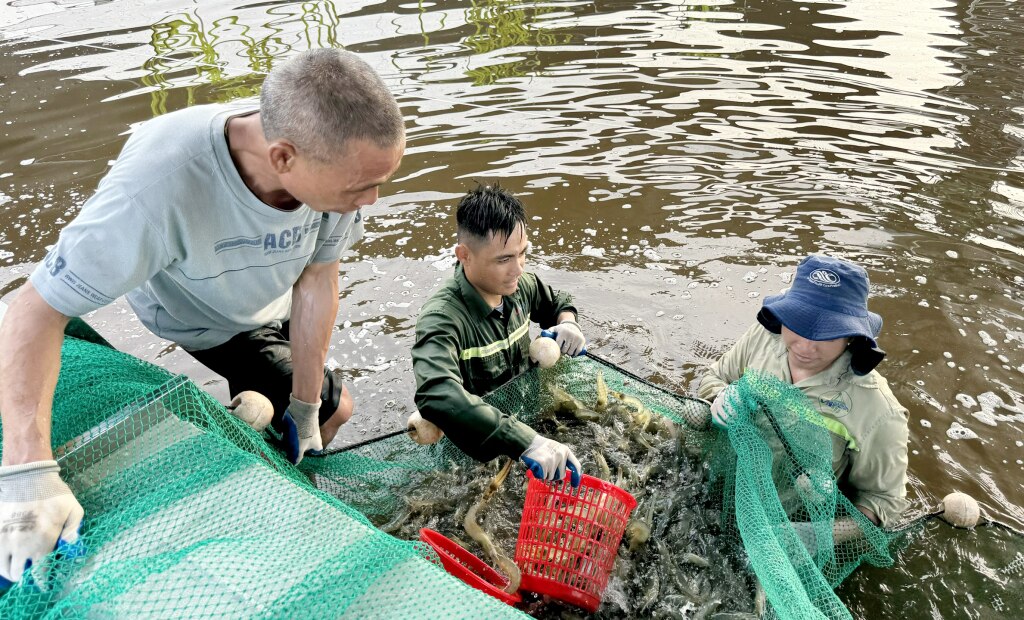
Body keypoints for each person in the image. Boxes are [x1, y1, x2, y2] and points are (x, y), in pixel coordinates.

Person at [0, 48, 405, 583]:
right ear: (283, 157)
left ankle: (273, 453)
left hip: (272, 290)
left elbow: (318, 277)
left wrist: (305, 405)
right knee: (339, 407)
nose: (372, 201)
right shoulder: (153, 190)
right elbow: (34, 309)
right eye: (360, 188)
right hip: (201, 315)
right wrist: (29, 471)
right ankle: (274, 501)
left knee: (326, 410)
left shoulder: (331, 174)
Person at [697, 254, 909, 528]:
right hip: (717, 487)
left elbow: (884, 501)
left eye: (827, 333)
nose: (805, 346)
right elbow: (716, 376)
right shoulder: (762, 337)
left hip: (786, 522)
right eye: (797, 323)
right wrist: (718, 396)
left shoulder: (879, 411)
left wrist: (816, 537)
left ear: (852, 336)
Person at [411, 184, 585, 486]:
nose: (517, 269)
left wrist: (568, 323)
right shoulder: (441, 319)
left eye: (523, 254)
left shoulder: (521, 287)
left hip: (528, 425)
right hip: (474, 451)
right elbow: (436, 393)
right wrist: (525, 441)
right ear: (464, 255)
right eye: (504, 260)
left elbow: (557, 301)